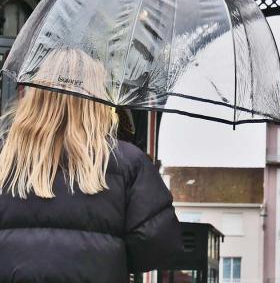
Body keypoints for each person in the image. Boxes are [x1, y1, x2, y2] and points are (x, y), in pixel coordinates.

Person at [0, 49, 182, 282]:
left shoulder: (4, 159)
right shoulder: (126, 163)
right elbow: (159, 246)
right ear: (96, 98)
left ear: (35, 95)